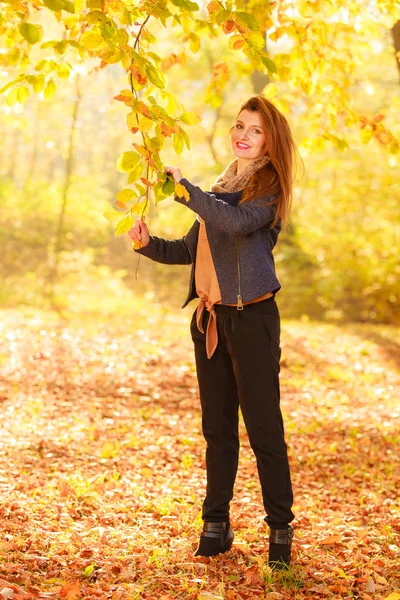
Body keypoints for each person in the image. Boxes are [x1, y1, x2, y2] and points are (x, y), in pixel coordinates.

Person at [128, 94, 298, 570]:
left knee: (264, 429)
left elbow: (234, 222)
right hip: (211, 319)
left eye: (255, 130)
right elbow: (189, 249)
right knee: (217, 429)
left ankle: (280, 531)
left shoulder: (269, 191)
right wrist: (146, 245)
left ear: (271, 141)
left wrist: (187, 192)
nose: (242, 134)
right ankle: (215, 526)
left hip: (253, 320)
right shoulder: (223, 185)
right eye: (239, 125)